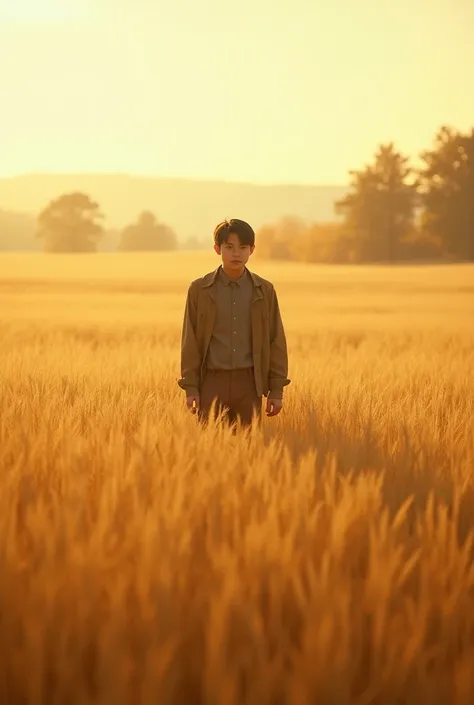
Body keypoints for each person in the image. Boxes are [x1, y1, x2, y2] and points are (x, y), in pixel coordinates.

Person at [178, 218, 290, 429]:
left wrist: (276, 390)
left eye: (243, 247)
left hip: (249, 384)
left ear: (252, 250)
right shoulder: (199, 290)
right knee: (209, 450)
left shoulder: (264, 291)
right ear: (217, 248)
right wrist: (191, 387)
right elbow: (189, 341)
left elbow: (276, 341)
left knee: (249, 452)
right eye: (229, 247)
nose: (236, 253)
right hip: (211, 382)